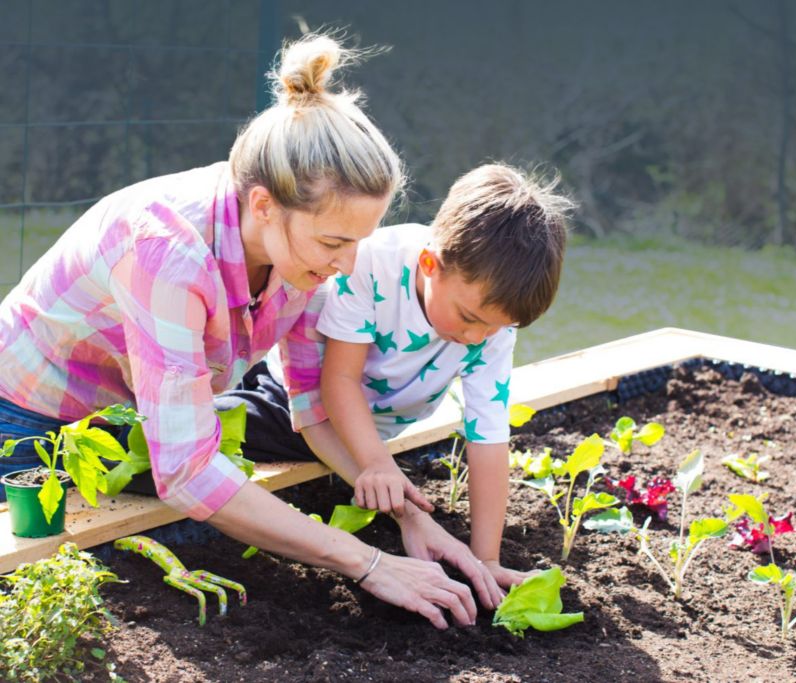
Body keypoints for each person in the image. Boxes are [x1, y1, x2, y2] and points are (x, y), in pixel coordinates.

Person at [0, 33, 495, 630]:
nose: (347, 265)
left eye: (359, 242)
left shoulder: (301, 256)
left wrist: (412, 519)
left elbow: (309, 404)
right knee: (69, 587)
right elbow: (184, 471)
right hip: (30, 421)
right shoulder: (167, 252)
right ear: (262, 206)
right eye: (335, 242)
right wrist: (367, 563)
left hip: (120, 424)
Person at [231, 163, 573, 590]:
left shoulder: (489, 323)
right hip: (293, 403)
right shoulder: (374, 264)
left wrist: (487, 558)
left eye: (495, 327)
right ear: (430, 264)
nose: (476, 339)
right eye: (468, 318)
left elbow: (488, 433)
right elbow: (337, 381)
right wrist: (376, 465)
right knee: (211, 433)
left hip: (370, 428)